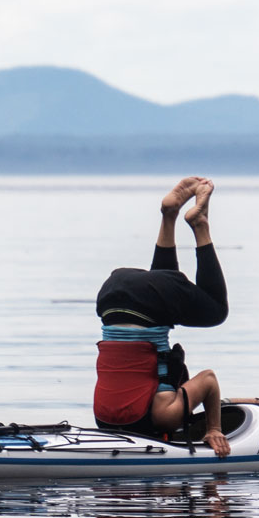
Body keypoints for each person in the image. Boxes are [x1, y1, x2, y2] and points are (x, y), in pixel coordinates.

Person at [93, 176, 231, 458]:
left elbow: (207, 383)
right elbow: (207, 379)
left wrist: (213, 426)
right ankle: (197, 223)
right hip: (110, 301)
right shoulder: (110, 419)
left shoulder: (165, 414)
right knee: (208, 308)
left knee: (201, 307)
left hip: (129, 293)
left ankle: (174, 217)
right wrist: (213, 429)